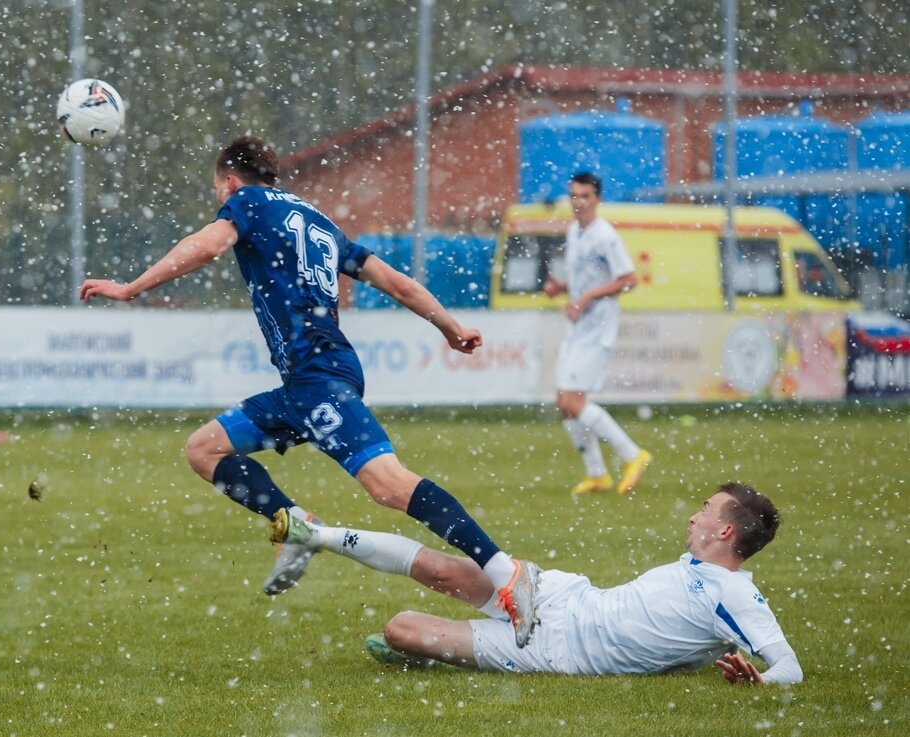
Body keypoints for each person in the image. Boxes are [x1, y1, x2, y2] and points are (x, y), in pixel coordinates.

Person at [78, 135, 537, 646]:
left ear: (230, 182)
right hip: (307, 381)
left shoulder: (247, 202)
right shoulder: (317, 219)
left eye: (218, 192)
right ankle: (294, 522)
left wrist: (131, 289)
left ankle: (504, 571)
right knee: (204, 449)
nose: (220, 202)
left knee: (388, 485)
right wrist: (450, 328)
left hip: (318, 377)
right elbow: (397, 282)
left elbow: (208, 246)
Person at [269, 481, 803, 685]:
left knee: (400, 629)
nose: (693, 517)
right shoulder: (698, 569)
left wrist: (761, 681)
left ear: (725, 530)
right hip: (563, 594)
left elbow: (790, 668)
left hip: (553, 649)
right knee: (442, 568)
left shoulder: (735, 593)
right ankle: (316, 535)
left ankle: (432, 656)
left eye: (704, 511)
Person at [542, 171, 651, 495]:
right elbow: (588, 276)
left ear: (598, 199)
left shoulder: (606, 235)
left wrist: (587, 297)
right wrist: (563, 287)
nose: (578, 202)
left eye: (585, 196)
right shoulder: (575, 231)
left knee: (573, 401)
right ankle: (597, 474)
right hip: (579, 327)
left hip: (598, 329)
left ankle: (633, 455)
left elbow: (629, 279)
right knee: (564, 402)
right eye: (574, 195)